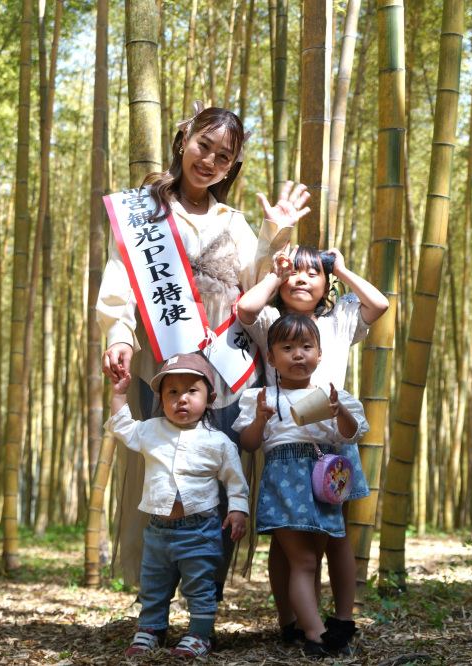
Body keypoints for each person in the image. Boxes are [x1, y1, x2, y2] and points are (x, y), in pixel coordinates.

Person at [97, 102, 309, 591]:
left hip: (226, 363)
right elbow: (120, 276)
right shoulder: (142, 212)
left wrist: (275, 230)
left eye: (223, 156)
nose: (209, 160)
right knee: (161, 465)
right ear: (183, 141)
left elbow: (257, 283)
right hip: (165, 357)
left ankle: (204, 596)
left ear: (232, 167)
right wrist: (119, 334)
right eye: (203, 145)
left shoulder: (234, 221)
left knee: (220, 464)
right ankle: (155, 593)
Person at [236, 244, 389, 651]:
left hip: (333, 437)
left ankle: (341, 619)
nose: (301, 279)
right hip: (286, 440)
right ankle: (293, 621)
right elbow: (246, 309)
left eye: (313, 272)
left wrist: (342, 269)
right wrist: (275, 272)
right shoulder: (271, 320)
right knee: (289, 546)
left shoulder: (340, 318)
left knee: (336, 536)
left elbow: (379, 304)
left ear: (327, 283)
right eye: (294, 273)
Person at [106, 352, 248, 658]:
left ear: (210, 399)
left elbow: (235, 481)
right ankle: (150, 630)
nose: (181, 398)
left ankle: (200, 635)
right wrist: (119, 394)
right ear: (160, 399)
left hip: (200, 530)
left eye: (191, 391)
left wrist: (238, 510)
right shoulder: (151, 430)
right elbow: (122, 427)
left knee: (199, 586)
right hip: (157, 530)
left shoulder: (219, 442)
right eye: (172, 392)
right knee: (153, 586)